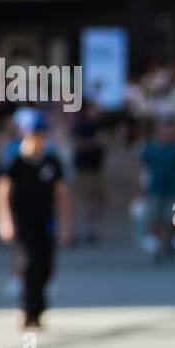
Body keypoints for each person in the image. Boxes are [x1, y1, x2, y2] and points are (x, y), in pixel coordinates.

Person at [0, 108, 70, 330]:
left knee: (45, 264)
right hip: (23, 219)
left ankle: (39, 308)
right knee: (28, 263)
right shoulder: (15, 161)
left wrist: (65, 224)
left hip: (45, 219)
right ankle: (27, 310)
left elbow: (62, 194)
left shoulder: (51, 161)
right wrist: (5, 220)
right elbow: (3, 190)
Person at [138, 117, 175, 263]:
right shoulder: (150, 148)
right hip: (155, 189)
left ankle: (169, 241)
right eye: (165, 127)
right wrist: (140, 187)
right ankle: (159, 246)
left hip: (174, 189)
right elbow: (142, 168)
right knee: (155, 218)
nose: (168, 131)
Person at [70, 101, 107, 244]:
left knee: (97, 199)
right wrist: (94, 142)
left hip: (97, 168)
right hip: (83, 168)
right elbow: (77, 144)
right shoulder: (82, 125)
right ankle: (82, 228)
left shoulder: (100, 125)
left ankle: (92, 228)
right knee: (85, 198)